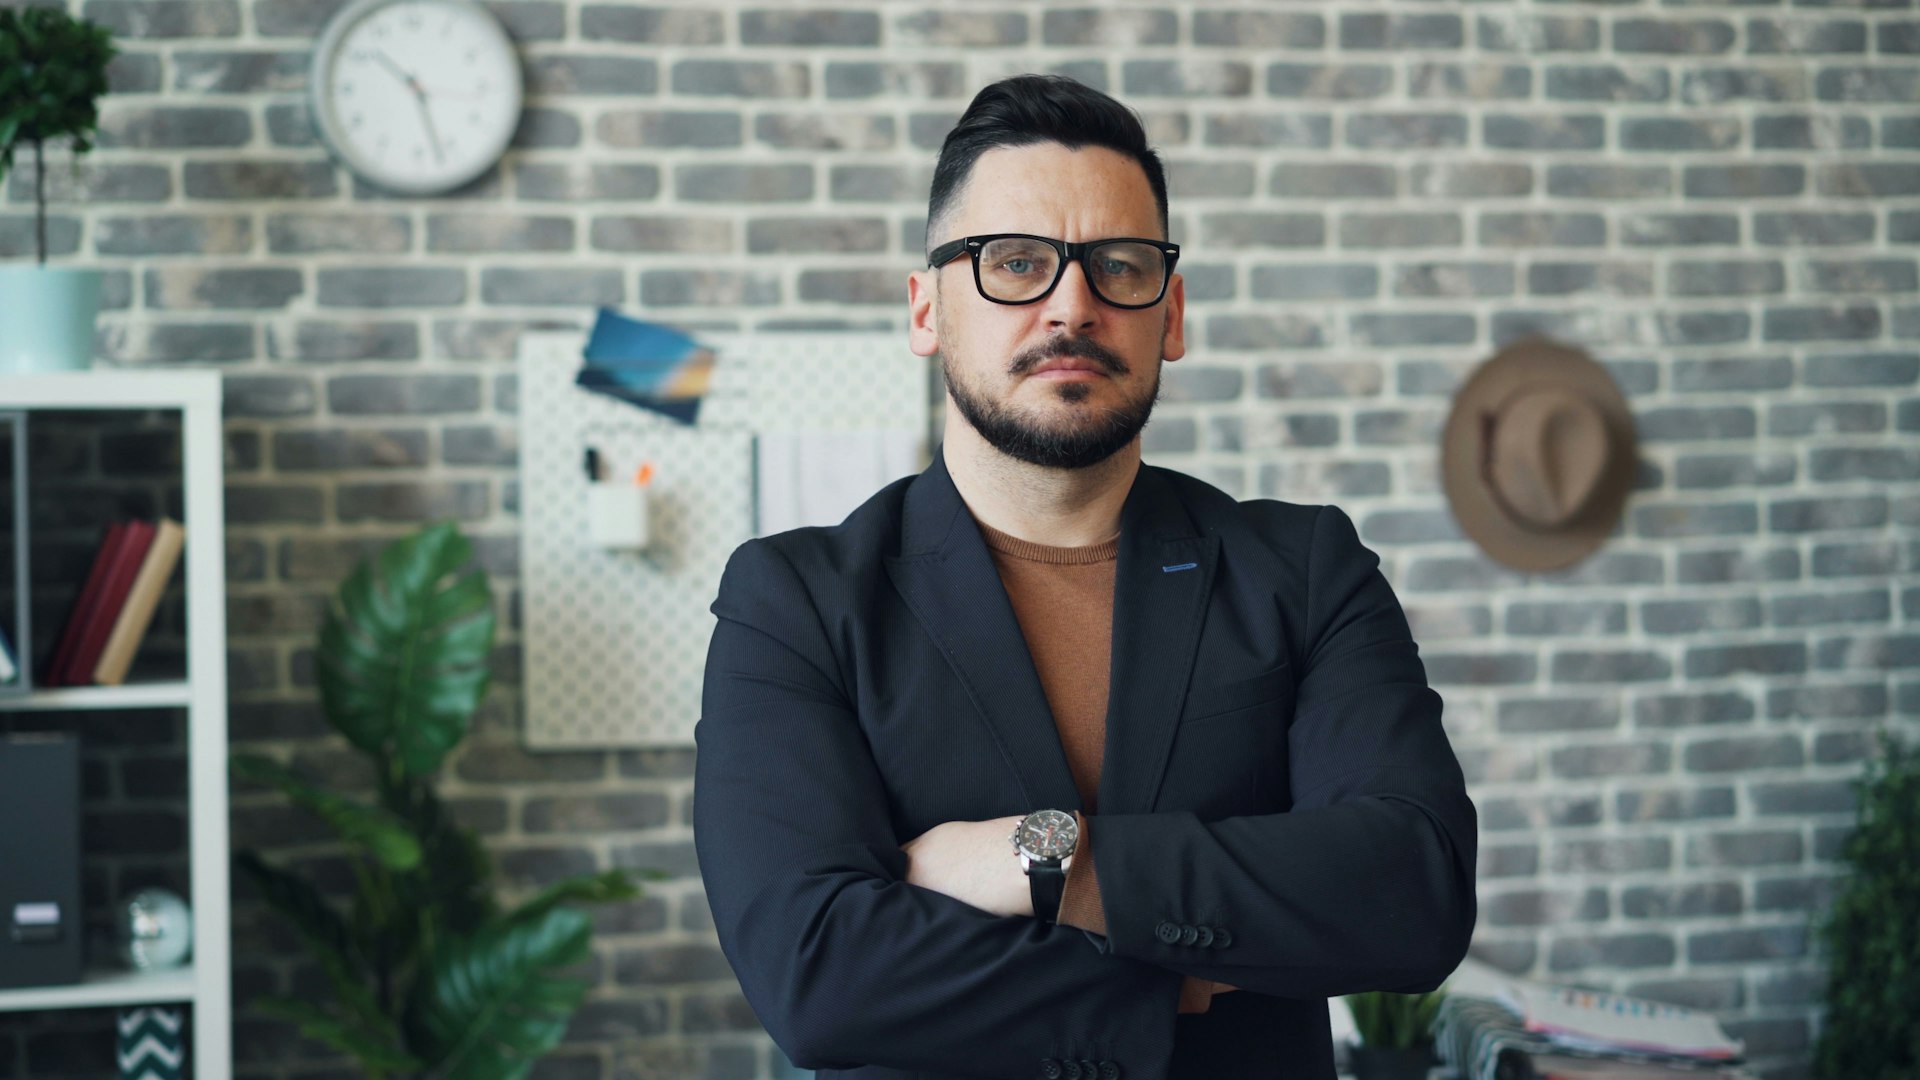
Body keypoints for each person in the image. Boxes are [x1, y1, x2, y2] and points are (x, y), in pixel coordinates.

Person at [693, 74, 1477, 1080]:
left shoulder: (1304, 570)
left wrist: (1051, 859)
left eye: (1120, 265)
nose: (1073, 304)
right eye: (1015, 262)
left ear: (1173, 314)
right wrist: (1168, 979)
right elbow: (817, 977)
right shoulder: (795, 600)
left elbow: (1412, 891)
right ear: (927, 308)